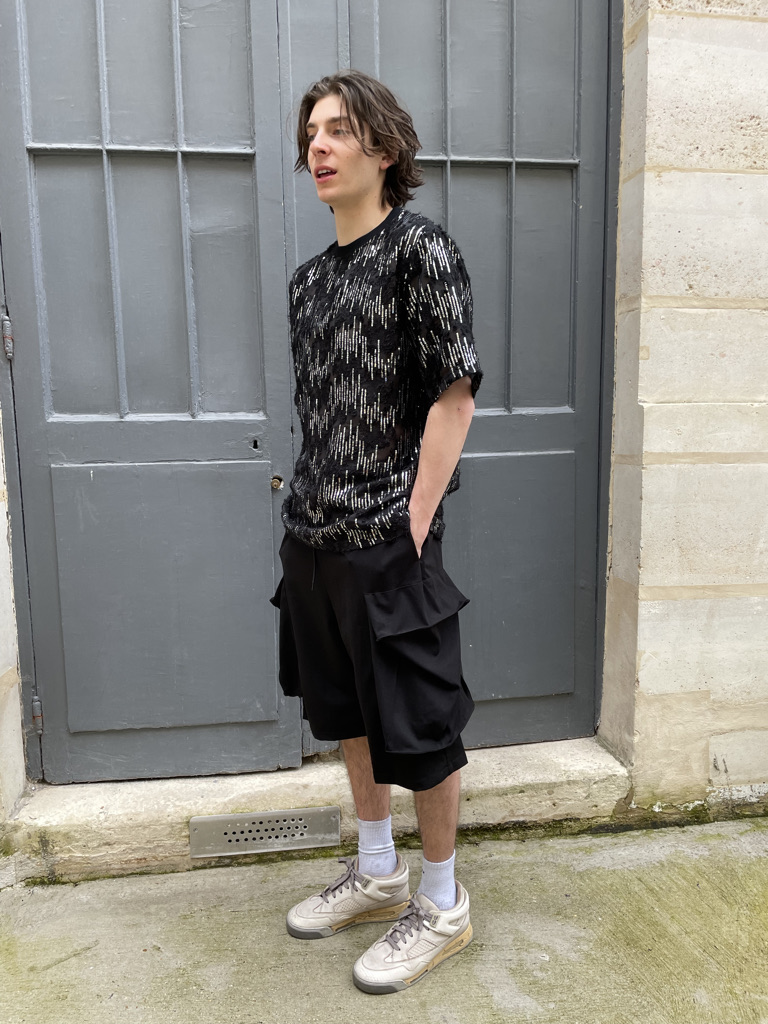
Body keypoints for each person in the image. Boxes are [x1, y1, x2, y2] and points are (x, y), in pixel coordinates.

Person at [270, 68, 482, 994]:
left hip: (390, 540)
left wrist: (414, 519)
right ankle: (377, 868)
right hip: (313, 537)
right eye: (310, 133)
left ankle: (440, 902)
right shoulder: (309, 281)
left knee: (421, 723)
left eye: (337, 131)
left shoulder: (420, 250)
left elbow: (453, 392)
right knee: (347, 712)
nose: (317, 147)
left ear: (383, 149)